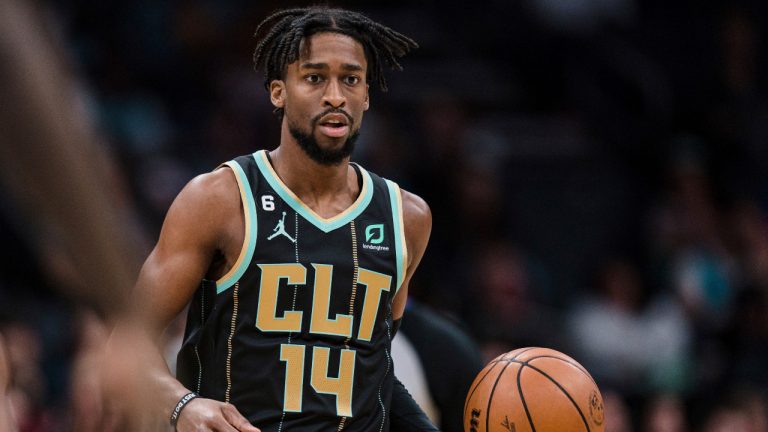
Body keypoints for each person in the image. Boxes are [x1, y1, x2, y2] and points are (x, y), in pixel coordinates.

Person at [109, 6, 437, 432]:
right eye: (315, 78)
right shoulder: (220, 199)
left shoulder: (406, 217)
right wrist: (183, 405)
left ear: (367, 96)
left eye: (350, 79)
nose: (335, 95)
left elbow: (373, 365)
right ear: (278, 92)